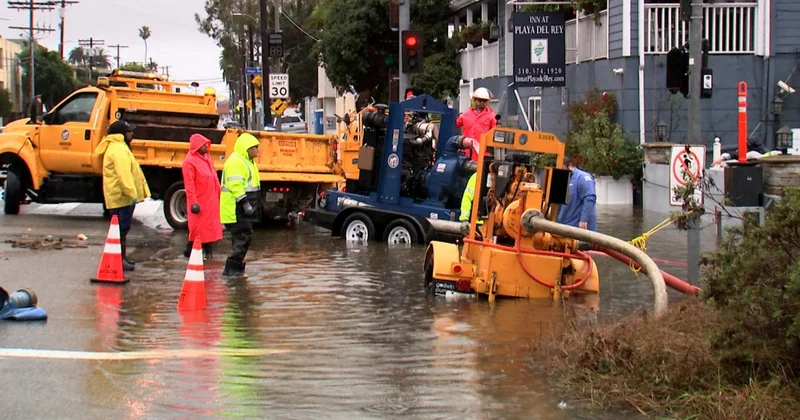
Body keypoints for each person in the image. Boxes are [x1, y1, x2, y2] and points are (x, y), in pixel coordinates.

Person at [95, 119, 150, 271]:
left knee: (121, 230)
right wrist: (132, 194)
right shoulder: (118, 149)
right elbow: (124, 174)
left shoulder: (119, 147)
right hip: (121, 198)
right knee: (120, 230)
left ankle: (121, 258)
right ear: (121, 134)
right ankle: (119, 260)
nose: (132, 133)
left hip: (120, 197)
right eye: (129, 131)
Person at [220, 132, 262, 277]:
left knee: (241, 238)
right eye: (255, 147)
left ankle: (236, 270)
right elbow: (235, 184)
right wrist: (245, 203)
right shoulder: (236, 161)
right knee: (243, 236)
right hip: (235, 209)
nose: (257, 150)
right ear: (247, 148)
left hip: (241, 209)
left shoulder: (248, 162)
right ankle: (231, 269)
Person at [182, 133, 223, 260]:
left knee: (208, 229)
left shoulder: (207, 158)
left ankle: (204, 253)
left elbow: (214, 176)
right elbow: (189, 184)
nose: (206, 147)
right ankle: (195, 251)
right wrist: (194, 202)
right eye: (203, 144)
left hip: (210, 200)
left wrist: (218, 192)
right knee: (199, 230)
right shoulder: (189, 161)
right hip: (201, 201)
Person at [557, 155, 597, 231]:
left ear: (568, 165)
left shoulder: (583, 178)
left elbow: (590, 198)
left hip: (579, 228)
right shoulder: (563, 179)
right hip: (565, 226)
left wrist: (583, 220)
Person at [456, 88, 497, 162]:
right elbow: (455, 124)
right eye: (479, 100)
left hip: (482, 153)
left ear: (488, 102)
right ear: (475, 100)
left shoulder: (491, 116)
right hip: (467, 153)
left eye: (484, 101)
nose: (481, 102)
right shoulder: (466, 114)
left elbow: (495, 134)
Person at [711, 138, 780, 167]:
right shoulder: (764, 153)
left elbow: (750, 155)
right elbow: (732, 155)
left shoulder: (753, 154)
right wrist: (722, 157)